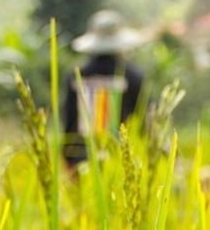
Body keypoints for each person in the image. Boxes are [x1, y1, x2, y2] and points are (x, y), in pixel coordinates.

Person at [61, 10, 146, 172]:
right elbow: (143, 118)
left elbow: (70, 119)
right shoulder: (133, 76)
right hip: (122, 156)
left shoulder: (77, 75)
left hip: (83, 156)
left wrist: (67, 156)